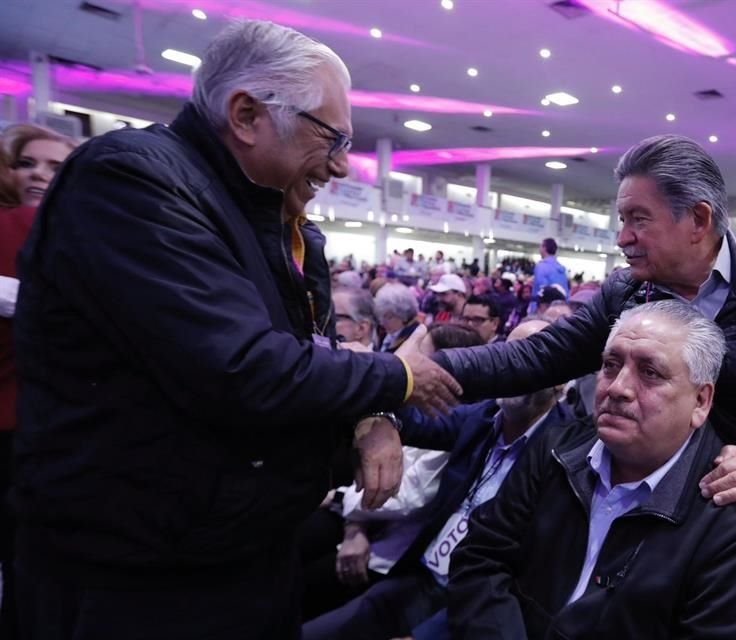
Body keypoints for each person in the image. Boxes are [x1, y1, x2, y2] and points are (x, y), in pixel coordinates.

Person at [12, 20, 460, 640]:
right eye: (331, 138)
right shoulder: (130, 181)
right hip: (137, 578)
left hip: (233, 550)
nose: (342, 166)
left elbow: (313, 352)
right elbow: (243, 366)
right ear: (247, 115)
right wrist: (395, 378)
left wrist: (366, 417)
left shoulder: (269, 214)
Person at [434, 134, 736, 544]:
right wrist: (411, 373)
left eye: (638, 220)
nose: (623, 237)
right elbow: (536, 357)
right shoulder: (624, 292)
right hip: (662, 528)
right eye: (623, 219)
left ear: (698, 219)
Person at [448, 301, 736, 639]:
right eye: (611, 365)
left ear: (700, 401)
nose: (617, 388)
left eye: (650, 373)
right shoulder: (555, 450)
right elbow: (480, 559)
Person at [303, 319, 579, 640]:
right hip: (420, 578)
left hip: (474, 605)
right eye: (512, 353)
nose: (518, 369)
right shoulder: (482, 416)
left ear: (561, 384)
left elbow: (530, 577)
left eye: (533, 359)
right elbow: (415, 421)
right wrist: (383, 402)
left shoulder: (565, 450)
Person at [0, 123, 75, 638]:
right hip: (29, 429)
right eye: (29, 163)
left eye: (55, 167)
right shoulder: (29, 226)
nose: (39, 176)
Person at [375, 282, 422, 353]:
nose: (382, 322)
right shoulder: (386, 333)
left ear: (404, 316)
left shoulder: (413, 339)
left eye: (389, 317)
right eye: (381, 316)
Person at [528, 237, 567, 314]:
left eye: (540, 246)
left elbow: (540, 290)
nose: (539, 249)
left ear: (544, 248)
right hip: (560, 307)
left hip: (544, 308)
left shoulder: (541, 266)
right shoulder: (561, 269)